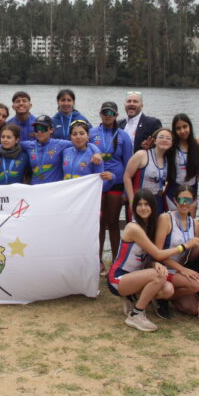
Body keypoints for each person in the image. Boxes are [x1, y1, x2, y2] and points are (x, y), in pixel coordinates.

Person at [107, 190, 179, 332]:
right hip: (118, 278)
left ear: (153, 206)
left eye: (147, 204)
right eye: (139, 204)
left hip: (135, 276)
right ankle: (136, 314)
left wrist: (154, 263)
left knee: (168, 290)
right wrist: (184, 247)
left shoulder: (149, 227)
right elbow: (157, 253)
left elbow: (148, 257)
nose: (143, 208)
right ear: (134, 208)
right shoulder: (133, 228)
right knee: (159, 275)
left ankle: (131, 298)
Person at [0, 115, 101, 185]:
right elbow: (9, 142)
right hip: (35, 189)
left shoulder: (61, 144)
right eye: (36, 129)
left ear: (51, 130)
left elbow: (82, 142)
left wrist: (96, 152)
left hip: (53, 189)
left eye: (43, 128)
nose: (39, 132)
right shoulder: (28, 145)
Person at [89, 102, 133, 275]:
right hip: (97, 185)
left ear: (116, 116)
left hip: (116, 184)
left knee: (113, 223)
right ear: (100, 113)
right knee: (98, 223)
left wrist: (126, 192)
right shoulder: (92, 133)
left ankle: (116, 261)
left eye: (111, 113)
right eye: (105, 112)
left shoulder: (124, 136)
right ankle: (97, 261)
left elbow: (128, 164)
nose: (108, 115)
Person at [154, 185, 199, 317]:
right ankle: (160, 297)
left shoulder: (195, 224)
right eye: (181, 200)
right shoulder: (165, 218)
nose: (184, 204)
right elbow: (158, 254)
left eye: (188, 200)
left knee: (192, 309)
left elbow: (190, 256)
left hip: (177, 270)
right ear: (175, 200)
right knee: (197, 284)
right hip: (162, 267)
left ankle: (167, 294)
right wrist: (182, 270)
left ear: (193, 202)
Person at [123, 127, 172, 214]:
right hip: (140, 200)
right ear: (155, 141)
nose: (164, 140)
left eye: (168, 138)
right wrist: (131, 200)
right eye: (161, 137)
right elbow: (127, 177)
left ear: (172, 143)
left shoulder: (169, 160)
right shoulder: (142, 155)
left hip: (158, 201)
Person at [165, 113, 199, 214]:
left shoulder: (196, 147)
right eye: (178, 128)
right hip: (174, 191)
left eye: (185, 127)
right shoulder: (170, 148)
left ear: (190, 127)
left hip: (191, 190)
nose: (182, 131)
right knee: (174, 221)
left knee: (189, 221)